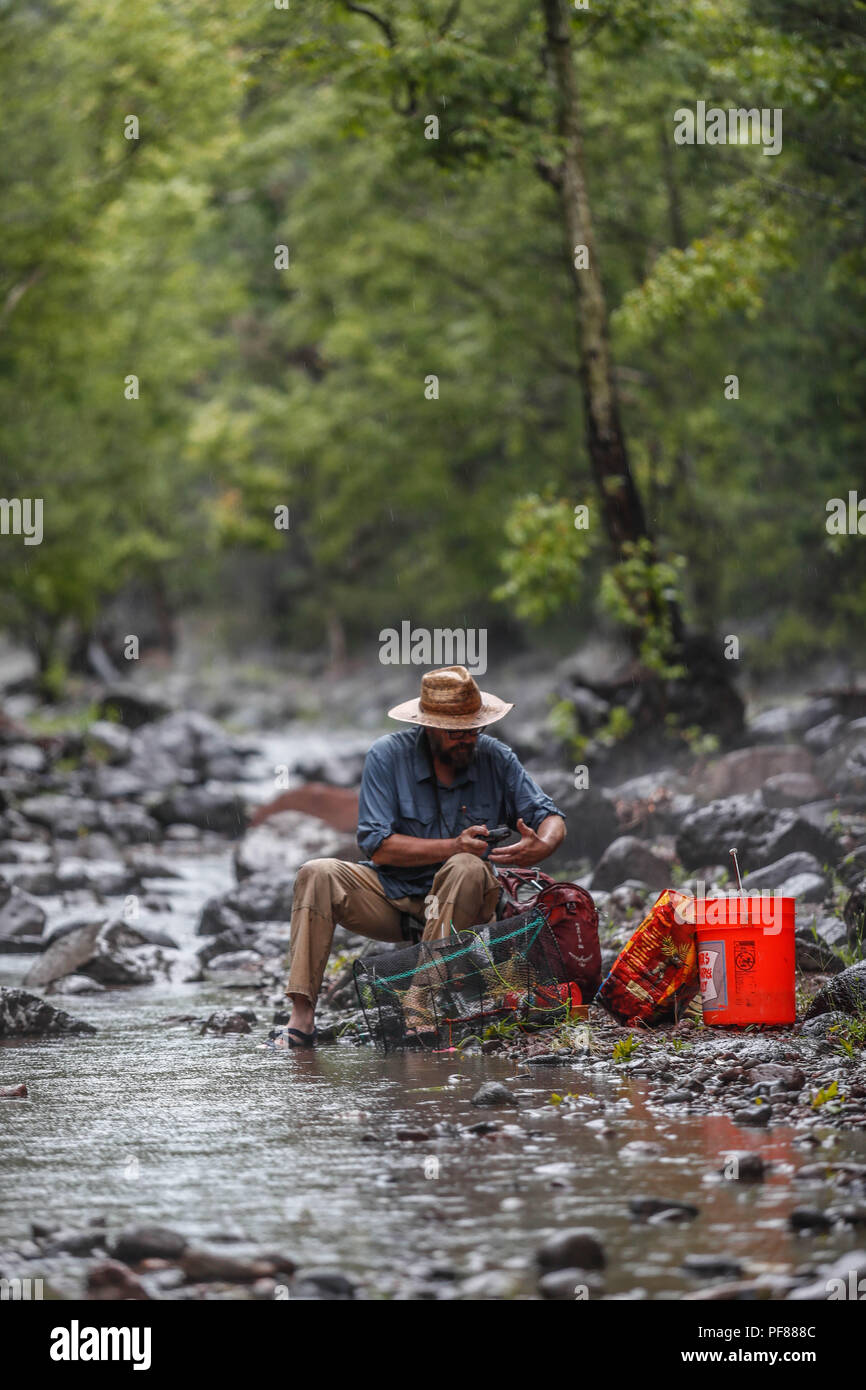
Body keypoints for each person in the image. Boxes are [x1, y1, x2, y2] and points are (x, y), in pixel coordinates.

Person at [281, 665, 566, 1046]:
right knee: (317, 872)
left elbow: (549, 816)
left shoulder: (496, 758)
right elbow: (377, 846)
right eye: (455, 732)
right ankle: (301, 1019)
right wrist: (454, 844)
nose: (467, 739)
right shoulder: (387, 756)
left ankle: (420, 1004)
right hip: (396, 898)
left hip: (468, 904)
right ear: (428, 727)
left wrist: (543, 843)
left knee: (466, 865)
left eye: (473, 729)